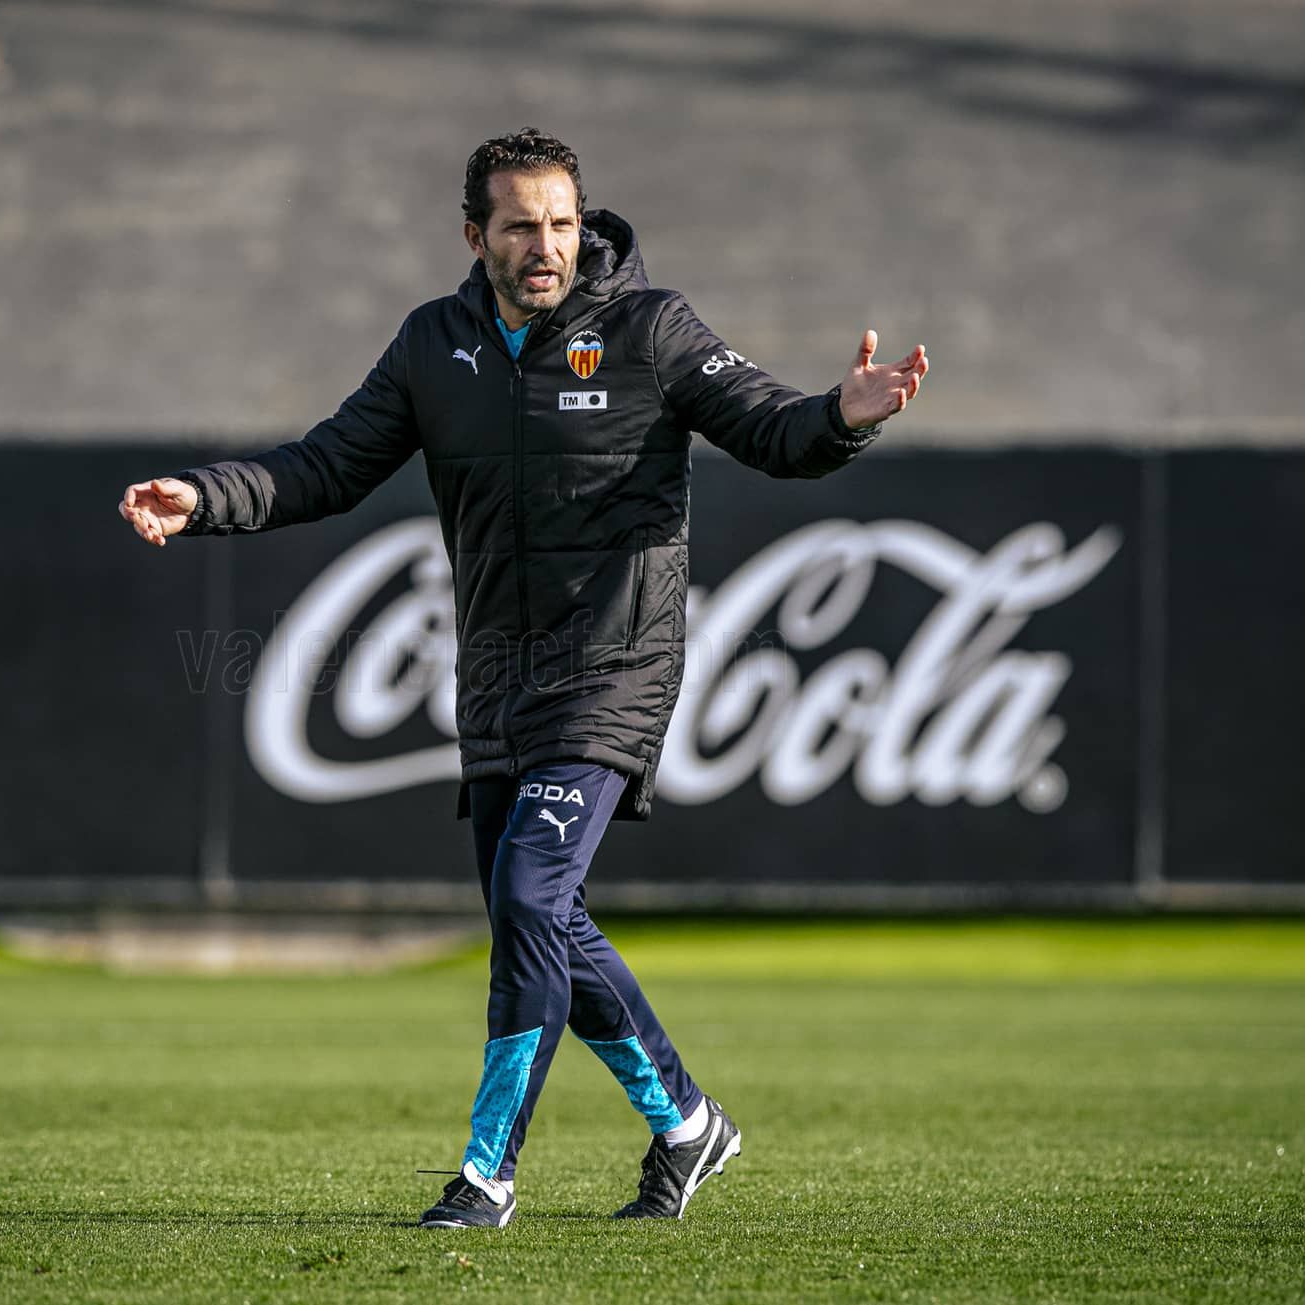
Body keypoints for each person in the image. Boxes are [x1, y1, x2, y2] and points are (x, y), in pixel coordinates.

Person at [119, 129, 929, 1228]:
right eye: (520, 224)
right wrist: (206, 495)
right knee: (539, 920)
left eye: (561, 223)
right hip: (497, 675)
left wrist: (841, 417)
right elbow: (324, 465)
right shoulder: (432, 346)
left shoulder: (651, 329)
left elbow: (773, 430)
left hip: (614, 667)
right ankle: (690, 1126)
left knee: (530, 898)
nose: (547, 244)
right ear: (475, 235)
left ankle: (487, 1175)